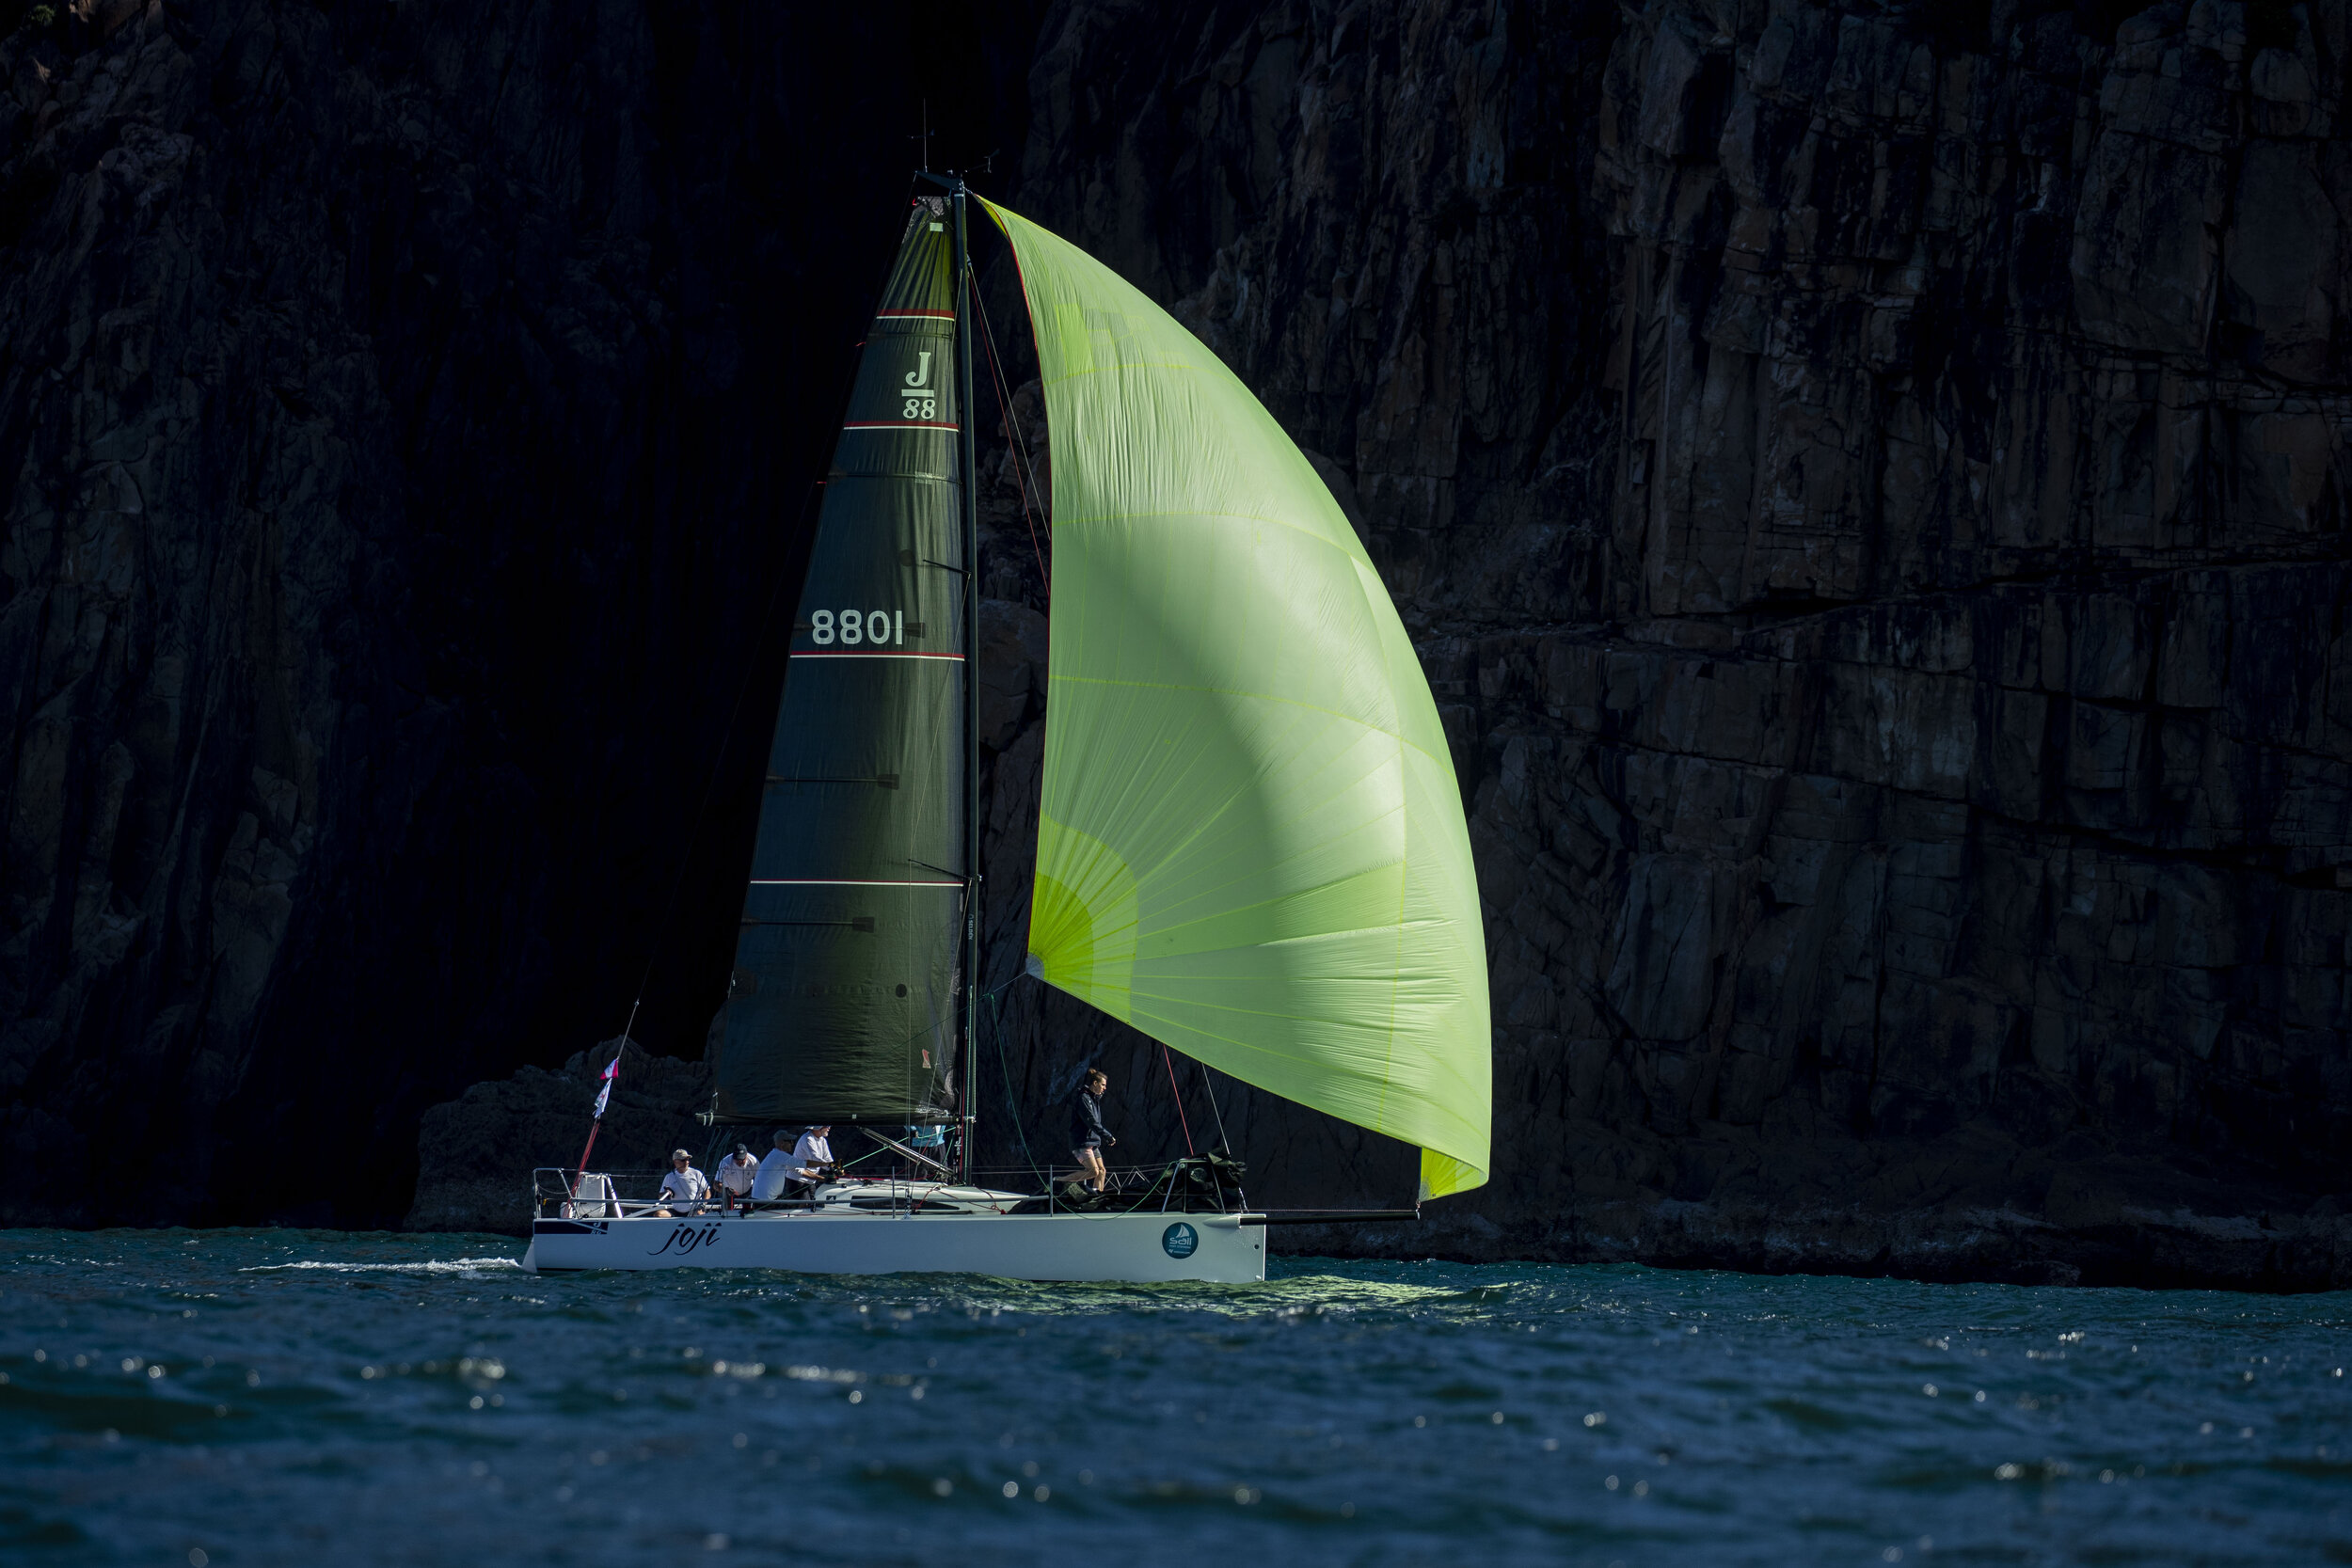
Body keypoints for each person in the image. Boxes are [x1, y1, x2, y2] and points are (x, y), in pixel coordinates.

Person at [1070, 1069, 1115, 1193]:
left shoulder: (1094, 1098)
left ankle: (1096, 1197)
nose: (1105, 1088)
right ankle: (1058, 1181)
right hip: (1082, 1142)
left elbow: (1094, 1122)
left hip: (1092, 1141)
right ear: (1095, 1083)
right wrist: (1108, 1136)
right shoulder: (1084, 1098)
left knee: (1101, 1171)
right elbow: (1091, 1121)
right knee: (1093, 1171)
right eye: (1103, 1085)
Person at [654, 1149, 709, 1216]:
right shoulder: (669, 1177)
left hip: (694, 1210)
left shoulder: (696, 1173)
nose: (687, 1162)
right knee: (659, 1214)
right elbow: (660, 1196)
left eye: (688, 1159)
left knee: (699, 1214)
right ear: (675, 1162)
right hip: (675, 1210)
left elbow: (707, 1191)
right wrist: (667, 1193)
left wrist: (702, 1205)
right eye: (683, 1160)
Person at [788, 1124, 836, 1198]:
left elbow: (828, 1159)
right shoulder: (808, 1139)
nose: (829, 1128)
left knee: (813, 1204)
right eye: (826, 1126)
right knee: (804, 1206)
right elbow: (815, 1159)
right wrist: (831, 1167)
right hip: (798, 1179)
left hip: (811, 1180)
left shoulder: (822, 1140)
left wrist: (835, 1167)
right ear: (818, 1128)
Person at [751, 1130, 797, 1203]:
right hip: (766, 1201)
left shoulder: (775, 1155)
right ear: (782, 1143)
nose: (792, 1144)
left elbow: (797, 1169)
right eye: (790, 1141)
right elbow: (803, 1163)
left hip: (764, 1198)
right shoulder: (780, 1155)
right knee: (799, 1205)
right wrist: (821, 1164)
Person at [713, 1144, 759, 1211]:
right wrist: (725, 1190)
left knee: (749, 1213)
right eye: (737, 1159)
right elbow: (716, 1184)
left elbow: (760, 1179)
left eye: (742, 1159)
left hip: (747, 1191)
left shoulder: (753, 1161)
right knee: (727, 1213)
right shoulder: (725, 1163)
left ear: (746, 1155)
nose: (739, 1162)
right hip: (729, 1194)